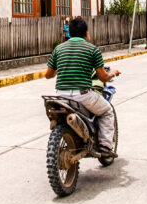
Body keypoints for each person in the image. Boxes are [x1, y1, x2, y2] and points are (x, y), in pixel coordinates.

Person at [45, 17, 120, 156]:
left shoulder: (58, 49)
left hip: (61, 95)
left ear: (70, 33)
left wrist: (59, 69)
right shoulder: (92, 49)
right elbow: (103, 77)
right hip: (83, 95)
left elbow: (48, 75)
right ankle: (105, 146)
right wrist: (113, 73)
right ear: (86, 33)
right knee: (107, 111)